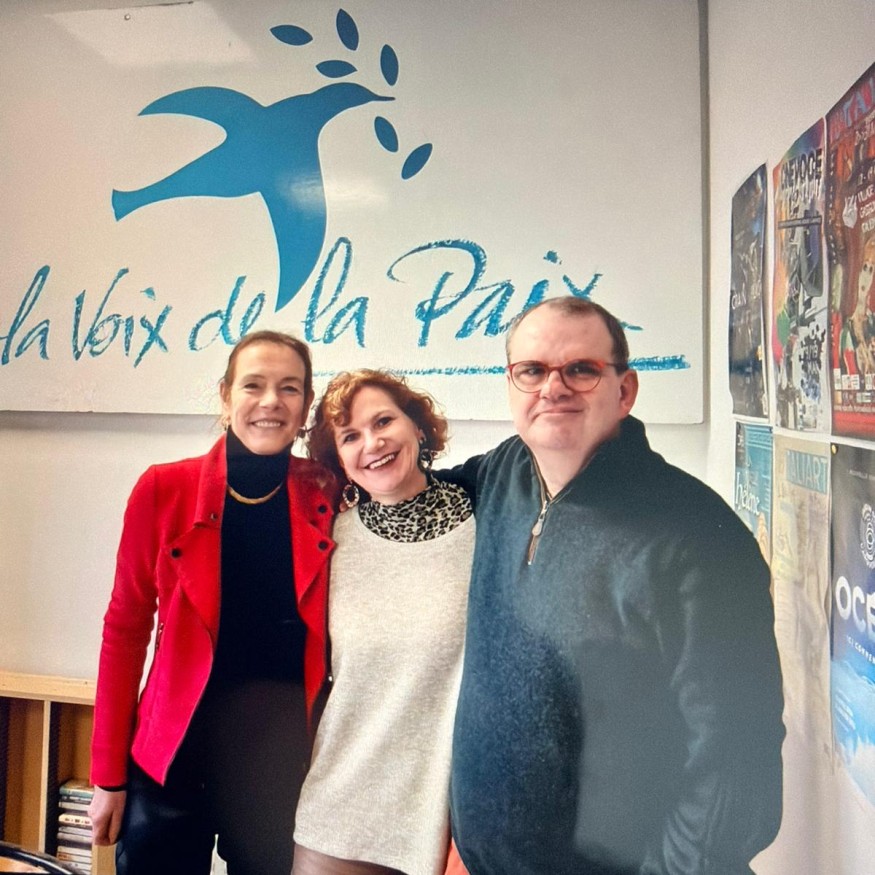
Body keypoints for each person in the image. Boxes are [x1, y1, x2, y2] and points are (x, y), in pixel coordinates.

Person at [448, 297, 785, 875]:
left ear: (624, 391)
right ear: (510, 385)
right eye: (532, 370)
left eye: (581, 369)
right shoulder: (502, 473)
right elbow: (407, 498)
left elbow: (737, 759)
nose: (552, 388)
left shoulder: (699, 536)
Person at [88, 331, 336, 875]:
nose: (271, 401)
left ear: (305, 405)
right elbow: (124, 630)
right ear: (226, 396)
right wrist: (107, 776)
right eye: (253, 385)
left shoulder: (328, 492)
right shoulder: (163, 489)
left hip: (279, 768)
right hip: (172, 762)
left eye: (289, 388)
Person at [292, 370, 475, 875]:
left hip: (444, 829)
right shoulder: (329, 542)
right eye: (350, 436)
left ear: (417, 426)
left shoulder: (486, 526)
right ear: (339, 460)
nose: (372, 444)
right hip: (336, 817)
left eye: (382, 422)